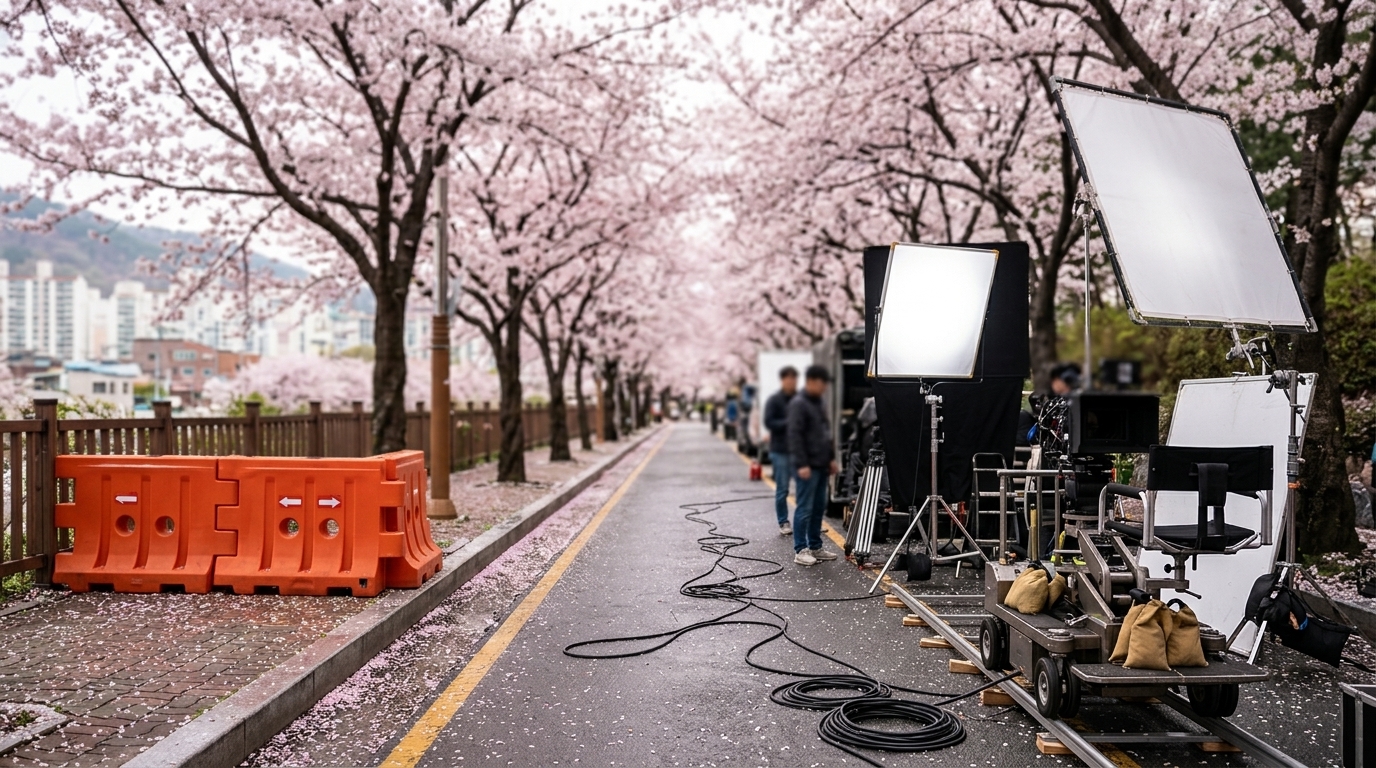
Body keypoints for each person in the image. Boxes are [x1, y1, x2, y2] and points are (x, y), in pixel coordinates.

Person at [787, 365, 840, 566]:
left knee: (818, 507)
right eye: (821, 383)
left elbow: (825, 434)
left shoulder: (818, 402)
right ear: (810, 381)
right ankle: (800, 549)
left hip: (820, 464)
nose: (824, 388)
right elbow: (794, 436)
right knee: (805, 507)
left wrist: (830, 458)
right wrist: (802, 463)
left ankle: (816, 546)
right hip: (806, 466)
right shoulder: (798, 404)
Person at [763, 366, 799, 536]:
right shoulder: (774, 400)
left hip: (799, 451)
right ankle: (783, 521)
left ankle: (806, 521)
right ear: (783, 380)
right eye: (788, 379)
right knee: (783, 489)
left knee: (804, 488)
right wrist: (788, 423)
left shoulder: (801, 398)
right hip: (780, 450)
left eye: (794, 379)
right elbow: (769, 422)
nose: (791, 382)